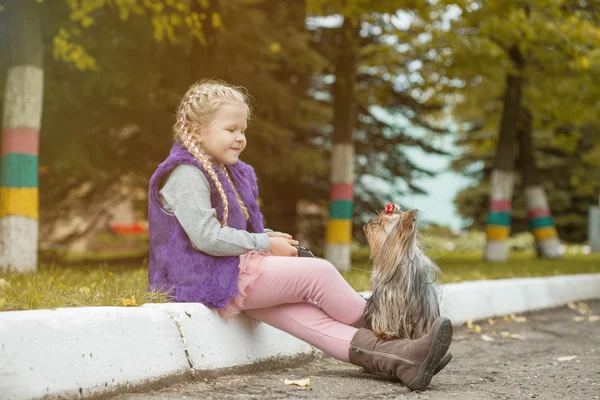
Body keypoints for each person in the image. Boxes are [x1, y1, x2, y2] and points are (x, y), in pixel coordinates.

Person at [147, 79, 453, 391]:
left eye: (243, 130)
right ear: (197, 131)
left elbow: (227, 229)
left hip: (222, 272)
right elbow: (206, 237)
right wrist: (265, 244)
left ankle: (403, 359)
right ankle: (396, 331)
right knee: (318, 273)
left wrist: (267, 236)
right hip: (201, 278)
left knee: (311, 321)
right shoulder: (186, 173)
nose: (240, 138)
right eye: (231, 130)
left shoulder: (217, 169)